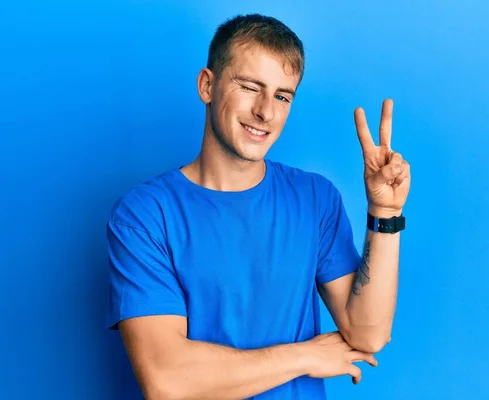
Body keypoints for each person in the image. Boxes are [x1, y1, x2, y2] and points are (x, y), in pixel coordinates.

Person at [106, 13, 411, 400]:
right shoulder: (144, 216)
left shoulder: (314, 198)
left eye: (282, 96)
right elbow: (167, 380)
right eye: (251, 87)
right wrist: (303, 357)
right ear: (207, 85)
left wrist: (384, 213)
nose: (266, 112)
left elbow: (368, 334)